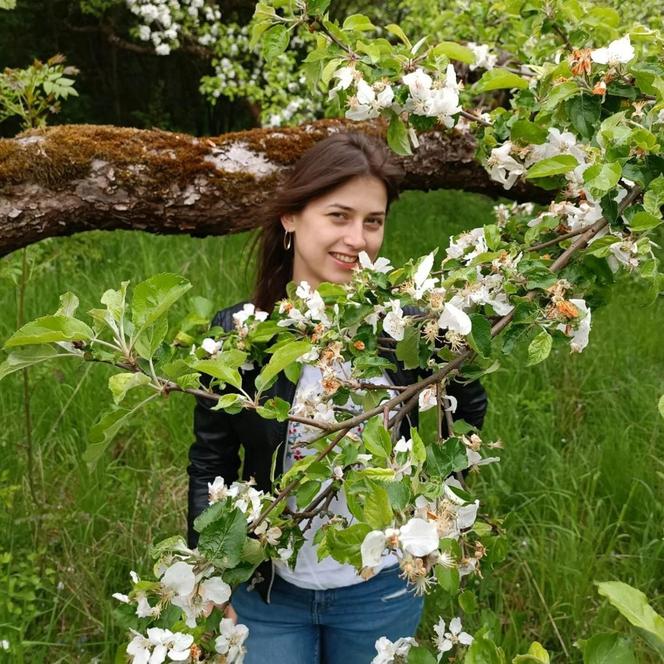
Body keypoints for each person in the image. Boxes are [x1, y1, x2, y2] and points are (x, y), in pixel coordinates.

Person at [187, 132, 488, 663]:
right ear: (291, 217)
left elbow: (465, 412)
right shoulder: (240, 335)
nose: (358, 238)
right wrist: (208, 572)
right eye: (339, 216)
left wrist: (437, 514)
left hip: (379, 587)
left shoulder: (412, 331)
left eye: (373, 221)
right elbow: (211, 460)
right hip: (268, 588)